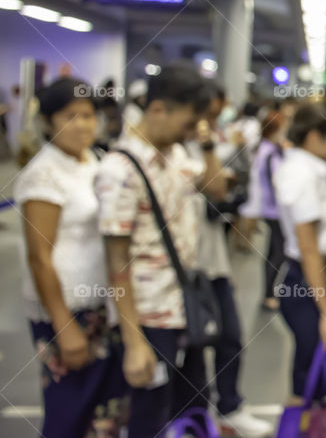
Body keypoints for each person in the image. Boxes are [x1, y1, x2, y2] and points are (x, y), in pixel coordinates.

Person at [96, 66, 222, 437]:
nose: (191, 131)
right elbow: (116, 263)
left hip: (183, 311)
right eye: (188, 122)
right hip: (149, 320)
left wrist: (208, 143)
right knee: (148, 420)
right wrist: (134, 343)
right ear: (158, 110)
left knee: (194, 409)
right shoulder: (120, 171)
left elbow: (215, 187)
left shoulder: (177, 155)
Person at [15, 77, 128, 437]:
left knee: (104, 411)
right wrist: (64, 327)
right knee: (70, 412)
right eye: (70, 116)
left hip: (101, 308)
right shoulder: (44, 174)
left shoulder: (94, 161)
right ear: (49, 121)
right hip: (66, 311)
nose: (82, 124)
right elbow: (39, 258)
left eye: (88, 115)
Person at [186, 84, 272, 437]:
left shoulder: (207, 146)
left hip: (213, 260)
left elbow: (218, 189)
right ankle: (192, 419)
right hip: (184, 269)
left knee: (230, 336)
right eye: (208, 113)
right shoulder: (173, 150)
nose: (212, 120)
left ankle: (230, 407)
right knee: (191, 348)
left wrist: (211, 149)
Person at [273, 103, 326, 403]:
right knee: (310, 372)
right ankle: (300, 426)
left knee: (316, 367)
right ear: (315, 137)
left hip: (316, 278)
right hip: (308, 281)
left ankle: (308, 423)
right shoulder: (302, 176)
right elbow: (309, 248)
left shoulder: (309, 168)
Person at [238, 110, 289, 311]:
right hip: (274, 210)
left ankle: (268, 292)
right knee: (278, 252)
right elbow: (278, 182)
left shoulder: (266, 149)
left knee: (273, 251)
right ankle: (268, 294)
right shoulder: (271, 152)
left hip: (270, 208)